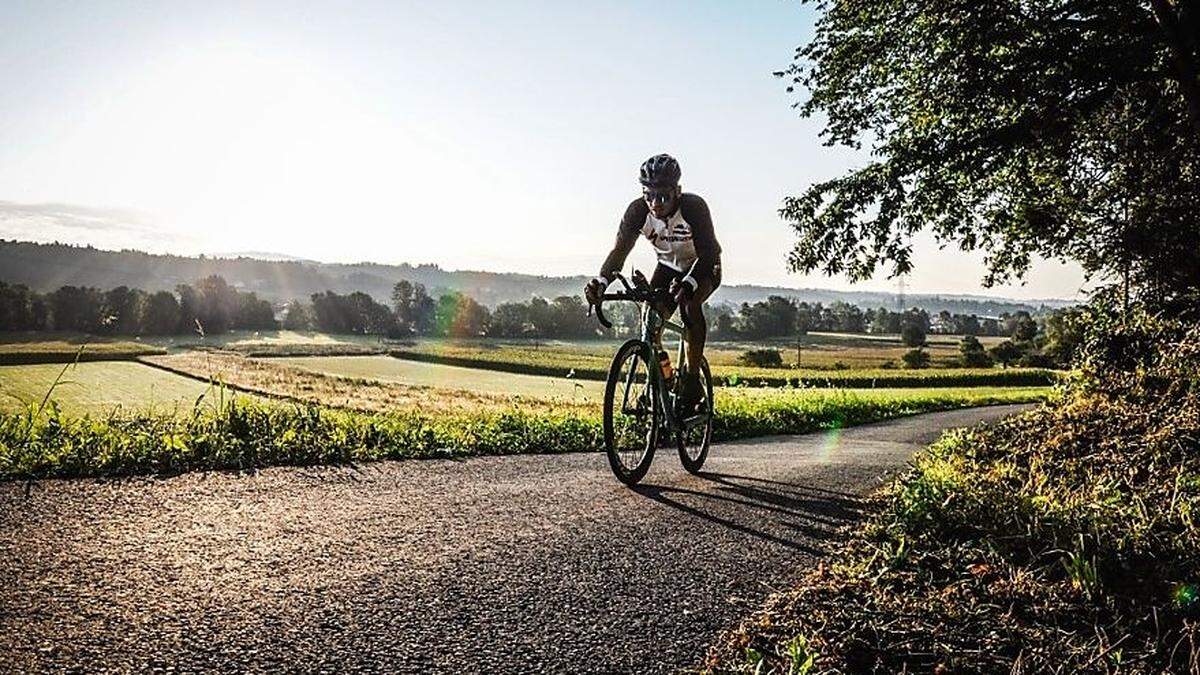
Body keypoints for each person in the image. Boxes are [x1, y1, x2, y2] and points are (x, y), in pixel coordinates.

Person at [585, 153, 722, 411]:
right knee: (651, 322)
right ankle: (664, 380)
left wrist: (689, 283)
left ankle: (692, 379)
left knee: (691, 306)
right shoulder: (637, 211)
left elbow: (710, 253)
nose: (655, 203)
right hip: (668, 267)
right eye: (649, 195)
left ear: (677, 192)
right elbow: (619, 253)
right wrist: (601, 282)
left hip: (703, 266)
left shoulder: (694, 207)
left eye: (663, 196)